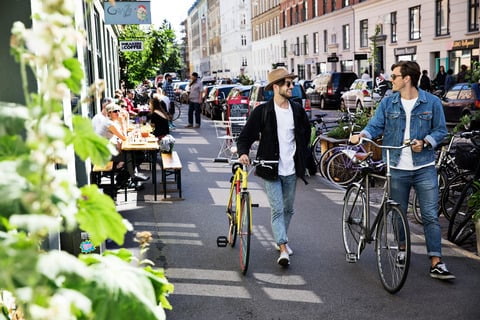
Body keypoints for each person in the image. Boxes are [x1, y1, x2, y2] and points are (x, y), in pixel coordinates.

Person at [350, 61, 455, 280]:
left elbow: (441, 131)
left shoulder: (432, 102)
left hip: (424, 166)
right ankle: (402, 250)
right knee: (398, 214)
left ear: (407, 78)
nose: (391, 80)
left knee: (430, 215)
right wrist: (362, 135)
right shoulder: (389, 102)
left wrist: (425, 142)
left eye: (395, 76)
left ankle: (436, 261)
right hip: (397, 167)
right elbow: (375, 126)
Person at [236, 67, 311, 267]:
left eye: (292, 83)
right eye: (288, 83)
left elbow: (305, 135)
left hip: (291, 169)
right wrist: (243, 153)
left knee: (289, 209)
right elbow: (245, 136)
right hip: (270, 168)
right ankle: (283, 246)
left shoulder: (297, 110)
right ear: (276, 87)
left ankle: (281, 238)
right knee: (277, 209)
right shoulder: (263, 111)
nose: (292, 87)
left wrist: (307, 160)